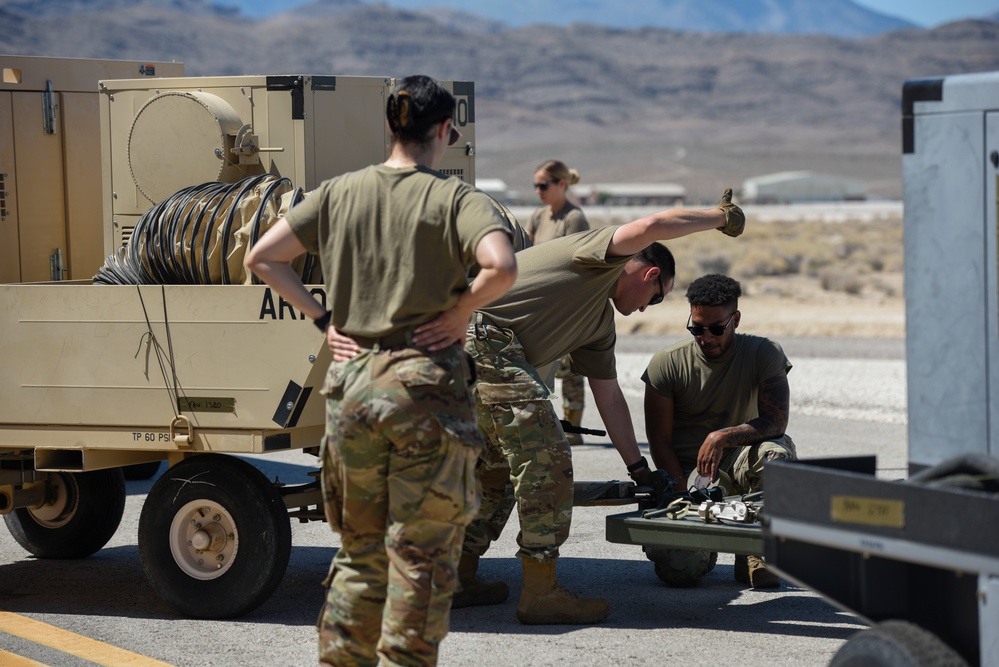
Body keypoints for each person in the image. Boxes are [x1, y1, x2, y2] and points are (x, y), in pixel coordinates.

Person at [331, 187, 745, 624]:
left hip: (468, 354)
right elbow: (650, 227)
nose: (649, 305)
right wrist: (719, 218)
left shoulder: (598, 324)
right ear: (649, 274)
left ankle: (454, 577)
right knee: (546, 462)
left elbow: (608, 395)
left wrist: (640, 470)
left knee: (496, 473)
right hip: (479, 338)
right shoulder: (600, 257)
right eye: (657, 296)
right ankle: (540, 593)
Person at [245, 75, 517, 667]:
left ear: (390, 127)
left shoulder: (339, 193)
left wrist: (324, 321)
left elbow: (262, 257)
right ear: (444, 130)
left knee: (360, 551)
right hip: (423, 386)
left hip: (355, 383)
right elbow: (501, 267)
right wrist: (459, 310)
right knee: (420, 555)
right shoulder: (455, 199)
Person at [642, 273, 797, 589]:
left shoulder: (764, 353)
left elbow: (775, 422)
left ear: (736, 319)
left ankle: (756, 550)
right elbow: (658, 440)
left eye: (716, 329)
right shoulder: (666, 364)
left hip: (740, 467)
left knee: (776, 453)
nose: (706, 338)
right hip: (691, 477)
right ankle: (705, 546)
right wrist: (681, 493)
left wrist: (721, 437)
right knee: (679, 571)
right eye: (696, 329)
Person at [524, 159, 590, 443]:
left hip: (566, 303)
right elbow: (526, 251)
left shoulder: (574, 218)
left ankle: (572, 427)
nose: (538, 190)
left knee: (572, 370)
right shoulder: (539, 216)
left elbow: (578, 261)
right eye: (536, 185)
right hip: (540, 302)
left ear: (561, 185)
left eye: (544, 185)